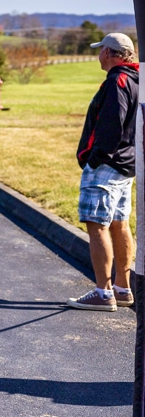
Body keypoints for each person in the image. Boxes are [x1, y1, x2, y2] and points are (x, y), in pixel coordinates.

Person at [67, 32, 139, 311]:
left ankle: (103, 292)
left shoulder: (116, 81)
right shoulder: (136, 79)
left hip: (107, 166)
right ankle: (122, 288)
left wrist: (95, 159)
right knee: (120, 223)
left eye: (100, 50)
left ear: (108, 53)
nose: (98, 54)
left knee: (97, 224)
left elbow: (112, 125)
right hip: (127, 165)